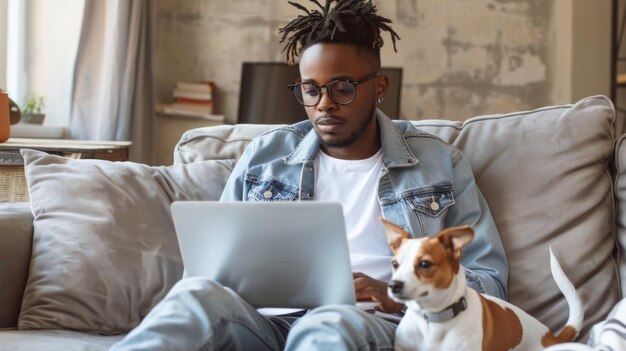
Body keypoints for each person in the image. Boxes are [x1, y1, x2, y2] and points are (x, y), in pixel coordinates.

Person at [111, 0, 508, 350]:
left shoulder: (439, 163)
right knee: (193, 297)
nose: (324, 105)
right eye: (310, 90)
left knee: (327, 323)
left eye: (343, 89)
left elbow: (490, 282)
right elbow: (208, 270)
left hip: (367, 324)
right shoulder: (266, 156)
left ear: (379, 87)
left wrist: (397, 296)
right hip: (264, 323)